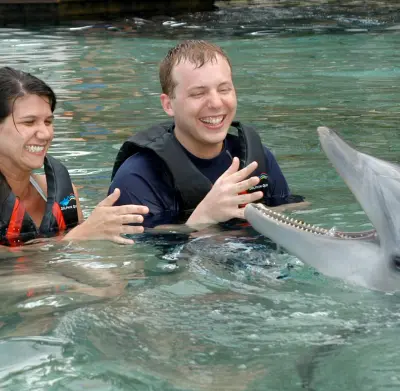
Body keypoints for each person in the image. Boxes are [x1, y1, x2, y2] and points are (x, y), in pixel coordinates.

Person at [109, 40, 305, 230]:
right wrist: (203, 219)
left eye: (224, 89)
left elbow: (289, 217)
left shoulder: (256, 158)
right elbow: (138, 255)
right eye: (198, 94)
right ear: (168, 104)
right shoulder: (136, 178)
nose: (216, 103)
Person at [0, 67, 149, 248]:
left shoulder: (59, 194)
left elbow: (77, 257)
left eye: (48, 121)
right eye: (29, 122)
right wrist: (80, 235)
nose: (45, 133)